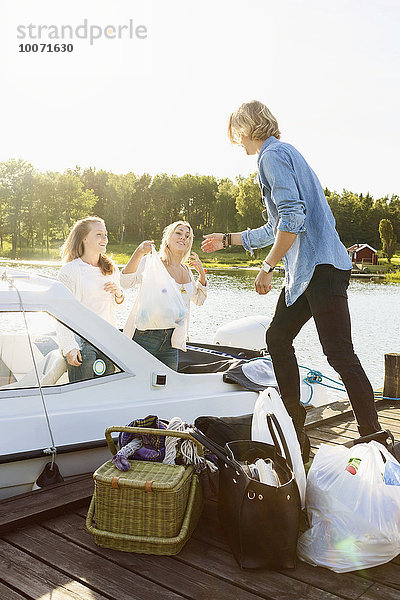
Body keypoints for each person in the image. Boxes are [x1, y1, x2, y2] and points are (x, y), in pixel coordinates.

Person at [202, 100, 382, 459]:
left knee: (338, 354)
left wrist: (267, 266)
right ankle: (293, 424)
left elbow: (293, 219)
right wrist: (228, 240)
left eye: (236, 132)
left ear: (246, 128)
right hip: (305, 273)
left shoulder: (271, 156)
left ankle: (373, 436)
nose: (235, 141)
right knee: (278, 336)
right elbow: (276, 225)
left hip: (320, 269)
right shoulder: (282, 154)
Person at [121, 220, 207, 370]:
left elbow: (198, 300)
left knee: (167, 388)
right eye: (178, 233)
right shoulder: (153, 264)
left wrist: (202, 276)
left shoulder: (187, 271)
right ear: (167, 238)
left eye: (187, 236)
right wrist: (139, 252)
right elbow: (125, 282)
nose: (183, 237)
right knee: (138, 384)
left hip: (172, 341)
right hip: (145, 336)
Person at [58, 216, 125, 382]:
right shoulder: (70, 271)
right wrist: (69, 347)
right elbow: (61, 314)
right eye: (99, 235)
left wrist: (119, 294)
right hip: (82, 343)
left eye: (105, 235)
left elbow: (118, 307)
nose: (105, 239)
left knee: (105, 395)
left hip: (108, 341)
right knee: (81, 398)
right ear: (84, 238)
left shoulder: (111, 268)